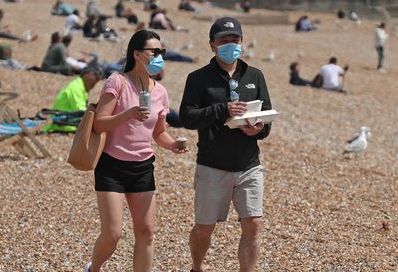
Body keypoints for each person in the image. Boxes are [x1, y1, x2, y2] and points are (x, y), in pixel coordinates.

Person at [84, 30, 185, 272]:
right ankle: (93, 268)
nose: (160, 56)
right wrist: (128, 114)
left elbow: (159, 132)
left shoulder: (160, 91)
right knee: (112, 233)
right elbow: (99, 123)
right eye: (155, 52)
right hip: (112, 165)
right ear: (137, 54)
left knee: (147, 232)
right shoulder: (117, 81)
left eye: (162, 52)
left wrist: (172, 144)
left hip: (142, 168)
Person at [180, 17, 272, 272]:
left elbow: (267, 119)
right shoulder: (198, 78)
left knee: (253, 224)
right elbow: (187, 117)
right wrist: (222, 109)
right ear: (212, 45)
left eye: (235, 40)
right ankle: (197, 266)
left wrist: (258, 130)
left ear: (241, 42)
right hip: (212, 165)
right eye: (224, 41)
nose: (230, 45)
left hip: (249, 165)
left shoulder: (255, 75)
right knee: (204, 228)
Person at [42, 66, 103, 133]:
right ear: (88, 78)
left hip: (66, 121)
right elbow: (81, 111)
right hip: (64, 124)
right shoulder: (76, 88)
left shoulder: (80, 86)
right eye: (92, 84)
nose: (93, 87)